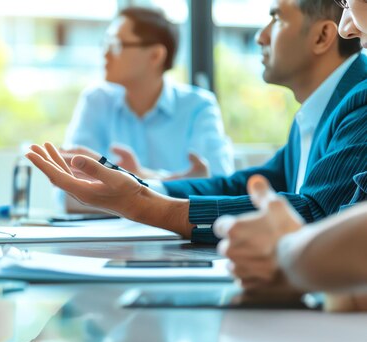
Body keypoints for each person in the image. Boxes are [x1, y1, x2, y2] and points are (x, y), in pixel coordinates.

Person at [26, 0, 367, 245]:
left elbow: (316, 213)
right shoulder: (318, 108)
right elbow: (251, 185)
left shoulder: (360, 99)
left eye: (276, 19)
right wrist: (141, 187)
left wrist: (143, 204)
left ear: (323, 37)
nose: (260, 36)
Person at [213, 0, 367, 312]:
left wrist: (293, 258)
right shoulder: (307, 117)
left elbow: (322, 216)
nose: (347, 28)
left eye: (351, 3)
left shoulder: (358, 100)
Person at [63, 7, 233, 181]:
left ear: (155, 55)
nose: (105, 53)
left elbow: (217, 187)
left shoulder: (199, 107)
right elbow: (67, 187)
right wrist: (160, 181)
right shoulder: (96, 101)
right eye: (105, 43)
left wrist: (140, 179)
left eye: (116, 45)